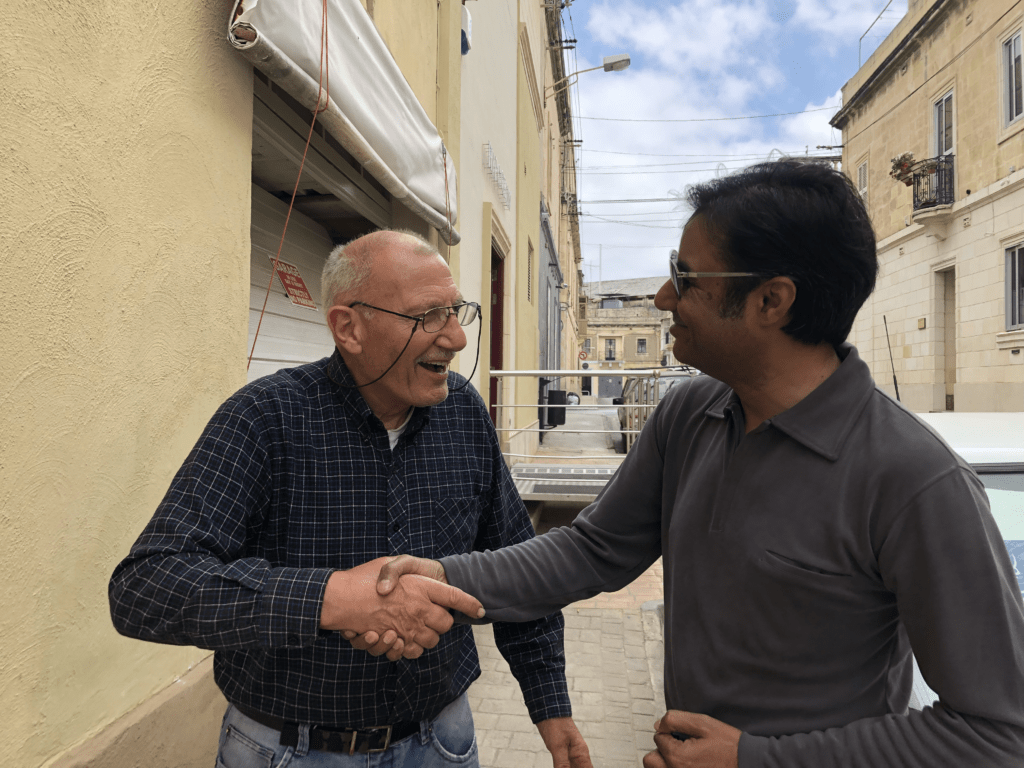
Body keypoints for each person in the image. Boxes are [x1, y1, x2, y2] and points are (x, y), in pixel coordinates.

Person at [360, 161, 1024, 767]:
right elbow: (592, 551)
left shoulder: (913, 480)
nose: (660, 297)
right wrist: (440, 578)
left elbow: (996, 731)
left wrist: (755, 759)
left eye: (686, 278)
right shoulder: (693, 415)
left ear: (772, 301)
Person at [109, 230, 590, 767]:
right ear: (349, 328)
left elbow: (516, 568)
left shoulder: (464, 413)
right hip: (289, 751)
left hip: (443, 741)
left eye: (457, 312)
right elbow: (144, 588)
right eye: (428, 316)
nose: (455, 337)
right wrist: (334, 599)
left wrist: (550, 705)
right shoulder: (264, 419)